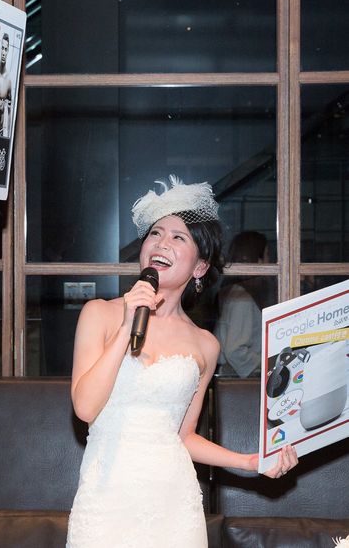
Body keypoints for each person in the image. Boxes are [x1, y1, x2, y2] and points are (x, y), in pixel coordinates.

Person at [66, 176, 298, 548]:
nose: (162, 243)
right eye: (155, 234)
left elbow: (184, 437)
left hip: (174, 504)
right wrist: (127, 326)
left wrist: (250, 462)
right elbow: (85, 408)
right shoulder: (100, 314)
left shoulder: (205, 344)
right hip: (105, 499)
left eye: (179, 237)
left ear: (200, 267)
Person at [215, 231, 274, 378]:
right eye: (267, 255)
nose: (270, 261)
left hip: (236, 378)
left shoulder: (236, 292)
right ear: (257, 260)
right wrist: (270, 363)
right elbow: (235, 351)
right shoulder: (242, 298)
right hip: (239, 381)